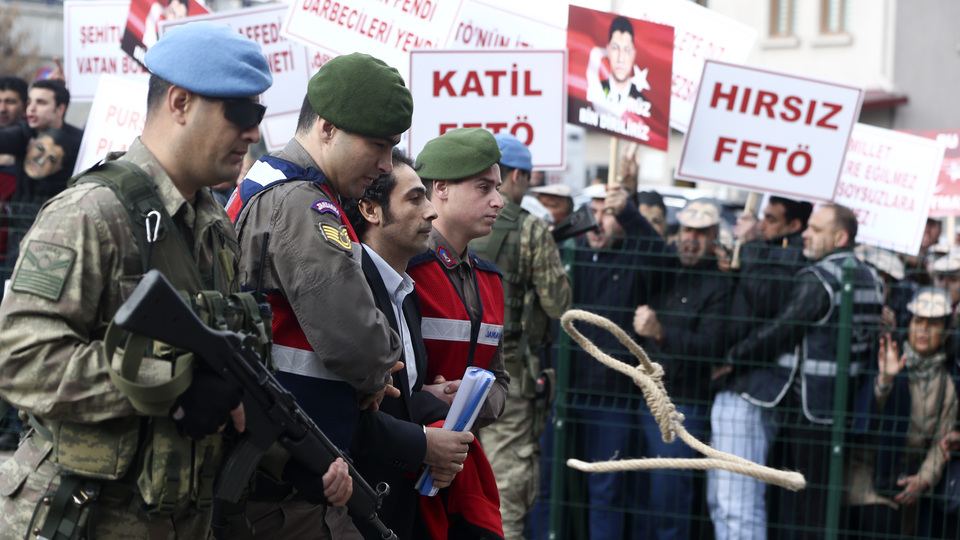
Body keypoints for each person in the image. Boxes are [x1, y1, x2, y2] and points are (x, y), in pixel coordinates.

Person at [0, 22, 355, 538]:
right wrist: (173, 387)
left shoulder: (214, 227)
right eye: (241, 114)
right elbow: (21, 357)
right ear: (181, 103)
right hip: (83, 517)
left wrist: (286, 457)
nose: (253, 133)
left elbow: (233, 381)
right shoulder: (93, 213)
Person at [226, 52, 408, 538]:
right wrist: (377, 370)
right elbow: (357, 342)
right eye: (377, 145)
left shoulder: (270, 180)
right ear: (327, 128)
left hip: (291, 463)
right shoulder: (304, 203)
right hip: (290, 488)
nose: (386, 165)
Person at [722, 203, 884, 539]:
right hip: (843, 404)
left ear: (840, 238)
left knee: (803, 507)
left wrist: (733, 356)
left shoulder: (819, 279)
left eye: (816, 229)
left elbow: (781, 331)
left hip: (808, 409)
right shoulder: (873, 278)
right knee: (821, 503)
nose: (805, 235)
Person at [343, 149, 475, 539]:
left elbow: (393, 394)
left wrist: (426, 398)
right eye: (415, 198)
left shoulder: (406, 290)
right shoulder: (350, 287)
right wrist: (422, 443)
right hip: (353, 504)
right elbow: (339, 412)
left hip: (398, 503)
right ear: (371, 210)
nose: (432, 213)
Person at [468, 134, 572, 540]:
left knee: (459, 486)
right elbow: (559, 304)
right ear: (516, 176)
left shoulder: (449, 217)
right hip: (509, 379)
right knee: (506, 490)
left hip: (453, 375)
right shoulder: (531, 230)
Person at [407, 128, 510, 539]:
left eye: (498, 188)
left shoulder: (490, 280)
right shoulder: (407, 269)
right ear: (441, 189)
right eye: (484, 187)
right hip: (407, 463)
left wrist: (467, 411)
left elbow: (500, 379)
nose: (498, 201)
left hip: (461, 467)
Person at [707, 195, 811, 540]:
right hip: (737, 386)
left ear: (794, 226)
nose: (761, 223)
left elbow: (767, 297)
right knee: (721, 500)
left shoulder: (794, 255)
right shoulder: (765, 250)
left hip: (753, 390)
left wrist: (750, 248)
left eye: (770, 218)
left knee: (738, 501)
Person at [565, 182, 664, 539]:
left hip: (611, 397)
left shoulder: (635, 259)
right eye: (592, 212)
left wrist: (628, 211)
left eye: (607, 213)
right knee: (555, 484)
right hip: (564, 390)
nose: (597, 222)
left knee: (606, 488)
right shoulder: (568, 253)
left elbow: (661, 255)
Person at [631, 198, 733, 540]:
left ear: (715, 236)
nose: (692, 238)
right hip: (646, 396)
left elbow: (712, 346)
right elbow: (643, 240)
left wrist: (662, 332)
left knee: (669, 495)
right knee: (642, 494)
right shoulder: (665, 268)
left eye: (702, 232)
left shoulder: (721, 284)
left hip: (683, 404)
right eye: (687, 229)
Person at [845, 287, 957, 537]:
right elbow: (867, 414)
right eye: (919, 321)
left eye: (933, 324)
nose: (924, 330)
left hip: (906, 478)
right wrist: (885, 380)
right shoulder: (889, 353)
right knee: (882, 522)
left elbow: (943, 441)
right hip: (866, 471)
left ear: (947, 331)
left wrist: (924, 479)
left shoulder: (947, 383)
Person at [586, 16, 649, 116]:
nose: (621, 58)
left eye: (627, 49)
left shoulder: (641, 101)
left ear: (634, 53)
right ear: (608, 49)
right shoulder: (597, 89)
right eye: (615, 48)